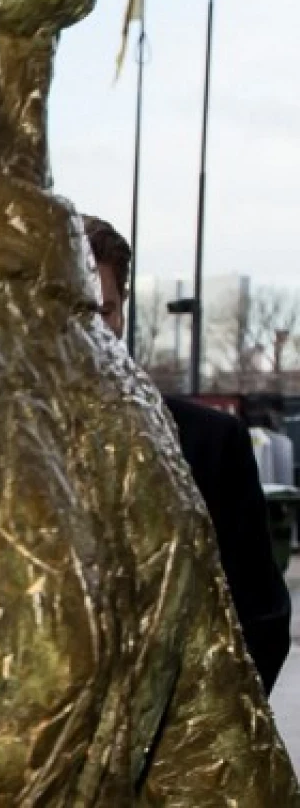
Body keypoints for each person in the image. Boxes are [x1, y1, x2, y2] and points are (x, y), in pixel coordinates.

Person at [85, 215, 291, 692]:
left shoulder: (211, 443)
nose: (91, 329)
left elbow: (259, 612)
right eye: (74, 310)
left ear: (121, 312)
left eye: (104, 310)